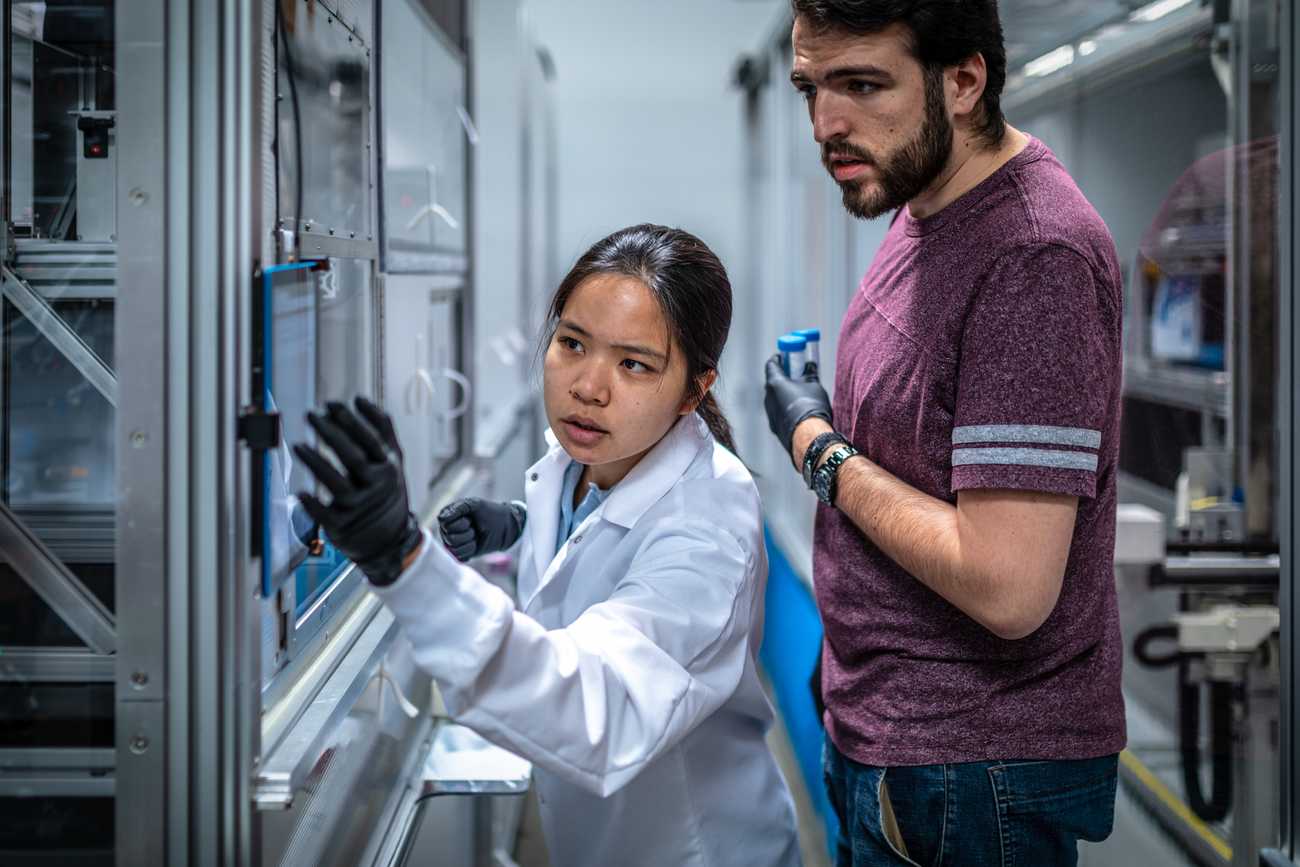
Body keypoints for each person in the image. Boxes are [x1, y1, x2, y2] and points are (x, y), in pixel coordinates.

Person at [294, 224, 802, 867]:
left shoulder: (708, 530)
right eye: (572, 343)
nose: (588, 386)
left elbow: (599, 708)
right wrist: (523, 523)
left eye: (634, 364)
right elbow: (596, 543)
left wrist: (407, 563)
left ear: (694, 390)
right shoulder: (587, 457)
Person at [761, 1, 1126, 864]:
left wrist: (818, 447)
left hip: (969, 771)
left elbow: (1008, 586)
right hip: (896, 739)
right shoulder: (924, 200)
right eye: (811, 87)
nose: (825, 123)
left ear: (963, 81)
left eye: (862, 85)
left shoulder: (1034, 256)